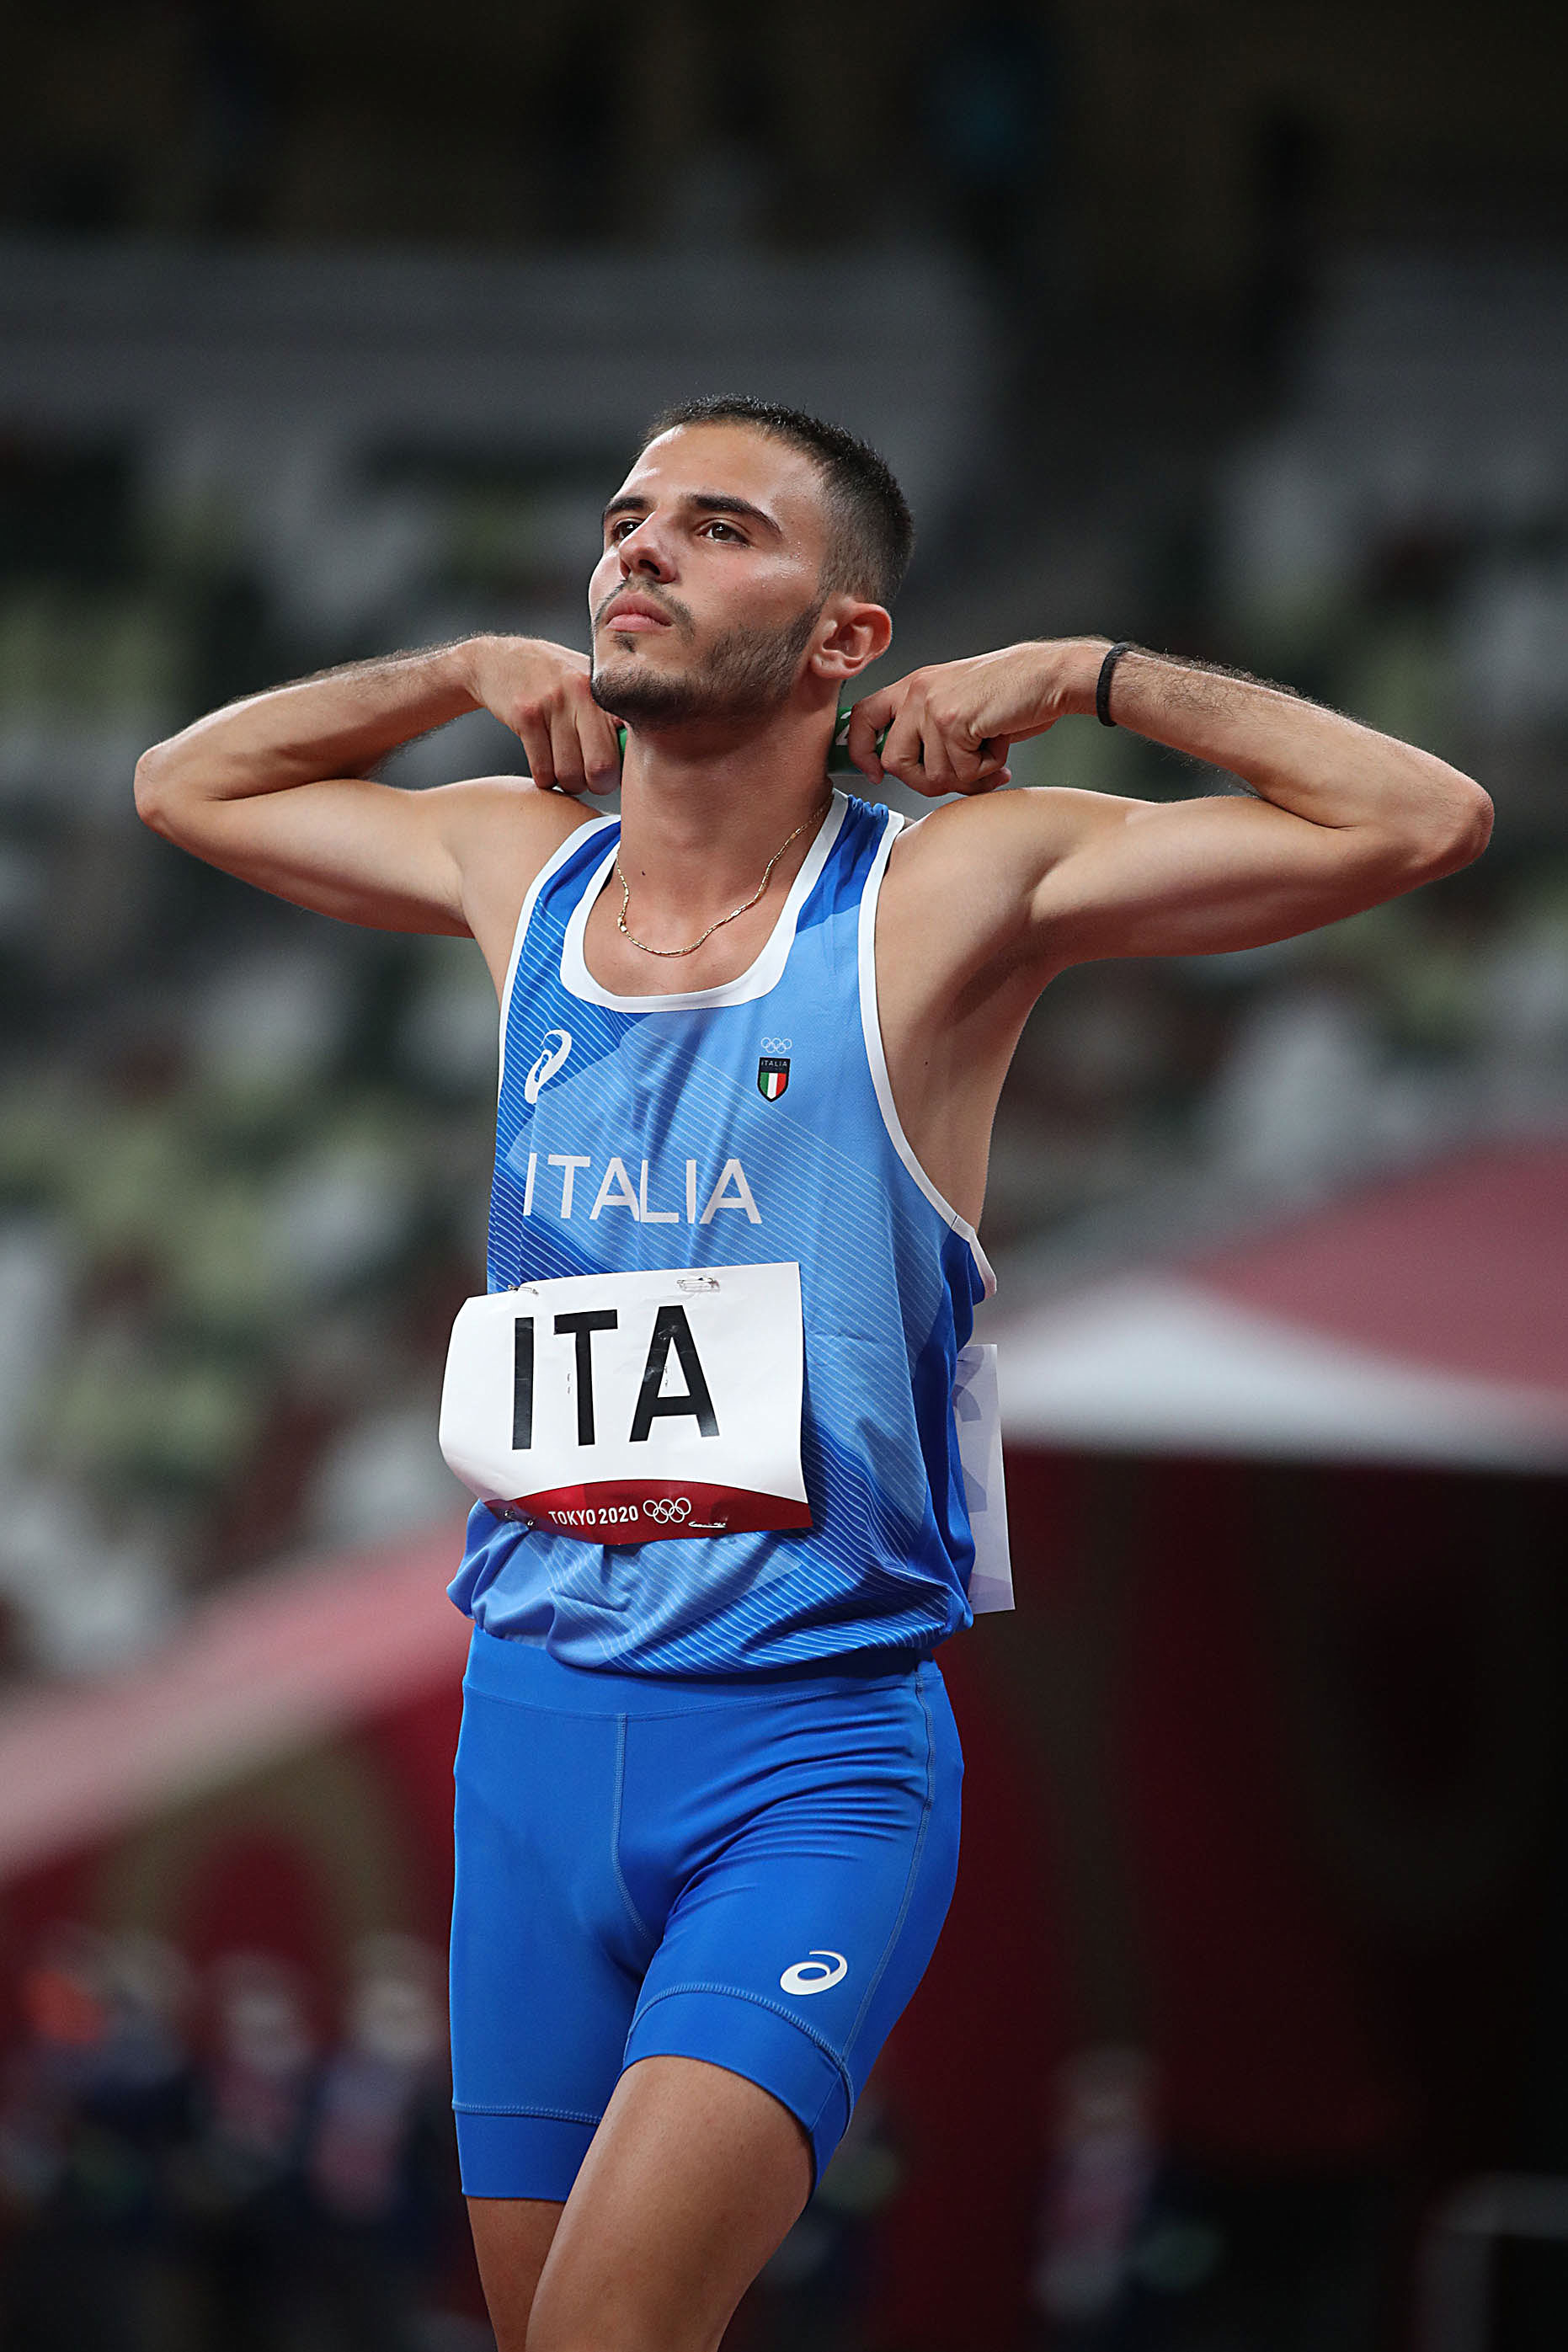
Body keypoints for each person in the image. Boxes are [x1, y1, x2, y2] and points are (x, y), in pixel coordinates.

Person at [134, 395, 1491, 2352]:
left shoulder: (939, 894)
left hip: (802, 1754)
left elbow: (1418, 819)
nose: (638, 547)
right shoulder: (518, 867)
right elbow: (185, 783)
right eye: (625, 518)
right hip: (529, 1737)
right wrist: (454, 667)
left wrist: (1093, 673)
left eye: (717, 526)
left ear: (846, 637)